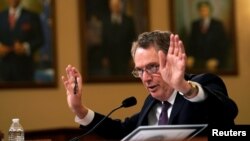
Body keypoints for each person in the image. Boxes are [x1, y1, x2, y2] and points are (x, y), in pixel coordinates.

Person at [62, 30, 238, 140]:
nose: (145, 78)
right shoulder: (151, 103)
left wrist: (184, 87)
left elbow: (227, 112)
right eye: (139, 70)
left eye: (152, 67)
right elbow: (121, 131)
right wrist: (80, 109)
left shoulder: (203, 84)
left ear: (172, 60)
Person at [0, 0, 44, 82]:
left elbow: (39, 39)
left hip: (25, 69)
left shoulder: (32, 16)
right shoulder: (1, 16)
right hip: (4, 69)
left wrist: (25, 47)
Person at [188, 1, 229, 72]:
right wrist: (190, 56)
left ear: (210, 11)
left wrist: (217, 59)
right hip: (198, 62)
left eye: (205, 10)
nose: (203, 12)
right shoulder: (195, 25)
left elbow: (223, 45)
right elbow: (191, 43)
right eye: (201, 10)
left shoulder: (218, 25)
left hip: (213, 61)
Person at [101, 0, 136, 75]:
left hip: (125, 57)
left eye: (117, 5)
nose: (115, 7)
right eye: (113, 5)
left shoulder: (128, 21)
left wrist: (132, 57)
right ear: (110, 7)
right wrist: (104, 56)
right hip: (110, 57)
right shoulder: (105, 21)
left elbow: (134, 39)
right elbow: (103, 40)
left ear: (120, 6)